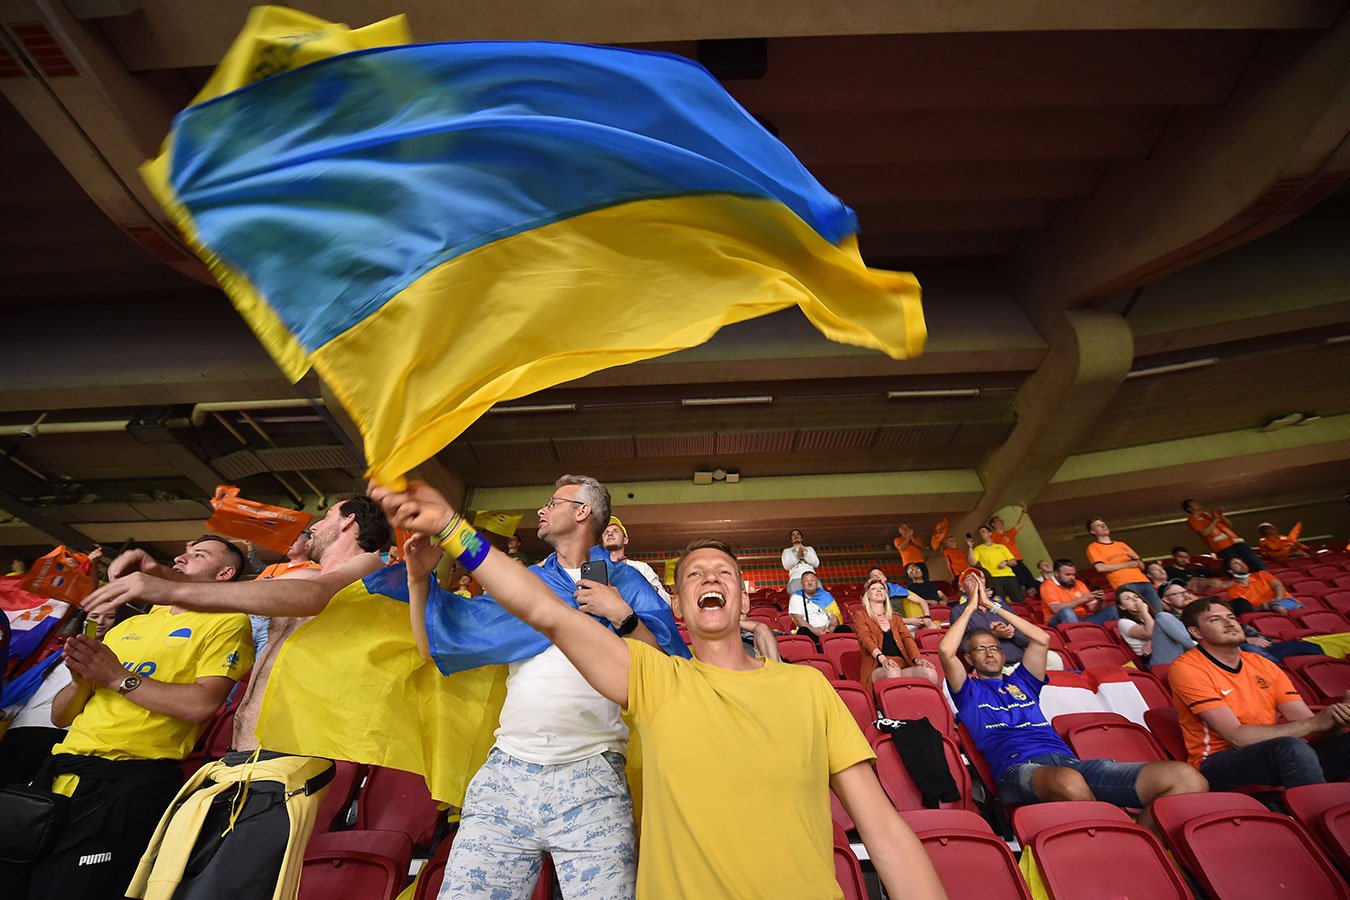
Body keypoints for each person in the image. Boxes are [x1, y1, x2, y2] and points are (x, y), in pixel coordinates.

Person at [372, 480, 949, 900]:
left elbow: (885, 834)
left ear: (745, 601)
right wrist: (452, 529)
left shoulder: (809, 688)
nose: (709, 578)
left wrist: (621, 615)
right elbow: (543, 611)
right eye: (693, 574)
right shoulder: (659, 682)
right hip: (510, 771)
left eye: (723, 572)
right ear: (678, 605)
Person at [82, 498, 391, 900]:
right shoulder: (306, 575)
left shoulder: (370, 569)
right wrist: (156, 572)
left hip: (287, 765)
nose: (313, 526)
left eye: (326, 515)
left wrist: (164, 586)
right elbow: (227, 591)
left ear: (349, 521)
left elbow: (313, 596)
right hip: (243, 763)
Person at [405, 474, 677, 899]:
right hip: (507, 774)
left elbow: (669, 673)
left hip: (594, 776)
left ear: (583, 512)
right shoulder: (523, 583)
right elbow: (431, 646)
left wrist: (622, 615)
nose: (541, 510)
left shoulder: (627, 584)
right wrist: (418, 579)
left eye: (553, 502)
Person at [1, 536, 255, 900]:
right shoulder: (128, 626)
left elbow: (201, 706)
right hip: (58, 773)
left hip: (129, 782)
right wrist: (80, 681)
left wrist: (116, 677)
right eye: (185, 551)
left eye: (199, 554)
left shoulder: (228, 622)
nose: (181, 558)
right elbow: (60, 716)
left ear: (225, 574)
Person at [939, 577, 1207, 828]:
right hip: (1017, 770)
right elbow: (945, 651)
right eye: (980, 649)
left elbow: (1041, 639)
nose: (989, 653)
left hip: (1070, 763)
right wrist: (971, 606)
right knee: (1068, 780)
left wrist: (992, 606)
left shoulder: (1023, 682)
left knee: (1185, 778)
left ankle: (1141, 842)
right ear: (969, 659)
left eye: (993, 647)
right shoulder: (968, 691)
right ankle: (1120, 842)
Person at [1169, 598, 1350, 790]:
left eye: (1231, 617)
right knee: (1290, 747)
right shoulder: (1187, 668)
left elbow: (1310, 727)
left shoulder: (1261, 663)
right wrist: (1314, 723)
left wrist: (1338, 719)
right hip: (1216, 760)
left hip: (1272, 750)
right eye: (1215, 619)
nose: (1229, 623)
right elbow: (1237, 737)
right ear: (1196, 632)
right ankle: (1318, 806)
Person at [0, 606, 123, 787]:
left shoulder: (114, 659)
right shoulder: (61, 654)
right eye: (94, 616)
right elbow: (35, 689)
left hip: (55, 731)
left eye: (110, 617)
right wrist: (8, 710)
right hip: (20, 726)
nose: (100, 622)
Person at [853, 582, 940, 698]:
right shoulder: (860, 615)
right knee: (893, 670)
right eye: (873, 588)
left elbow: (907, 639)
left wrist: (918, 658)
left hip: (902, 665)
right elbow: (865, 639)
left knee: (930, 672)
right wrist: (883, 659)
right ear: (867, 595)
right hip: (877, 667)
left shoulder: (895, 617)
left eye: (881, 588)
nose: (879, 590)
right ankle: (898, 708)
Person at [252, 531, 322, 656]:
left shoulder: (316, 568)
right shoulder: (272, 568)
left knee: (265, 660)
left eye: (294, 539)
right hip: (255, 618)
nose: (289, 543)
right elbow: (253, 591)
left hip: (282, 623)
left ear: (307, 543)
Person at [1084, 516, 1162, 612]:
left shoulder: (1121, 544)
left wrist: (1137, 559)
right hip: (1123, 583)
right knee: (1137, 613)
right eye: (1099, 525)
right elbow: (1100, 567)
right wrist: (1129, 564)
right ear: (1093, 531)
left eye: (1104, 524)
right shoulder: (1093, 547)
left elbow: (1141, 566)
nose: (1103, 526)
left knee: (1158, 612)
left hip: (1144, 581)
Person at [1114, 588, 1195, 668]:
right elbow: (1150, 633)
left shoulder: (1151, 617)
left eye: (1136, 596)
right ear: (1122, 606)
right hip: (1154, 660)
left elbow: (1158, 634)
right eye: (1127, 598)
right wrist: (1144, 610)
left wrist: (1152, 641)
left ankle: (1196, 647)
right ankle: (1197, 648)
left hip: (1172, 650)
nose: (1135, 599)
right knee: (1162, 616)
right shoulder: (1123, 622)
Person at [1182, 499, 1264, 572]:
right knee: (1236, 566)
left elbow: (1230, 526)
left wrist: (1220, 515)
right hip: (1222, 547)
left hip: (1235, 541)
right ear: (1189, 509)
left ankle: (1264, 576)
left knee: (1254, 560)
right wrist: (1215, 520)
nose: (1198, 503)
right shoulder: (1192, 520)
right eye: (1194, 503)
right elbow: (1205, 533)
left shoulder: (1208, 514)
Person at [603, 516, 671, 604]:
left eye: (615, 531)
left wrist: (642, 581)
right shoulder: (597, 570)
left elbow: (666, 601)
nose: (610, 534)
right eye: (606, 532)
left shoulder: (641, 567)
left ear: (625, 540)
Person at [1038, 559, 1118, 626]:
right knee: (1067, 612)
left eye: (1073, 575)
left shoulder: (1079, 583)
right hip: (1057, 622)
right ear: (1056, 573)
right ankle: (1079, 635)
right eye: (1068, 575)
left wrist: (1100, 601)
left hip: (1082, 619)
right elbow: (1056, 609)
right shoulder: (1047, 585)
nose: (1072, 578)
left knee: (1113, 609)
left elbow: (1093, 608)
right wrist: (1082, 599)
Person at [788, 570, 846, 650]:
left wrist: (830, 629)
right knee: (803, 631)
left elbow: (834, 616)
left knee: (844, 628)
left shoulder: (826, 596)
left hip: (827, 630)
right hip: (810, 631)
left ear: (817, 582)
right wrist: (816, 631)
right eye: (806, 581)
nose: (810, 583)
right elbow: (797, 620)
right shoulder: (796, 597)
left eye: (812, 580)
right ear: (802, 583)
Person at [966, 525, 1024, 604]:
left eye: (983, 531)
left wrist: (1006, 562)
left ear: (990, 533)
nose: (981, 534)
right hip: (993, 577)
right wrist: (970, 548)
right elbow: (972, 562)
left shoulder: (1001, 547)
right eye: (980, 533)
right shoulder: (978, 549)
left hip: (1009, 575)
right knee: (999, 602)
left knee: (1019, 600)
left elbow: (1014, 562)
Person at [1224, 557, 1301, 616]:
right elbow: (1246, 608)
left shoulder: (1262, 574)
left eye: (1242, 562)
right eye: (1236, 563)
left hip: (1283, 600)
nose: (1242, 565)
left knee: (1279, 607)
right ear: (1230, 571)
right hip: (1264, 610)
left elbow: (1278, 586)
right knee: (1278, 608)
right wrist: (1261, 607)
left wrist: (1278, 598)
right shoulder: (1233, 591)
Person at [1148, 581, 1199, 667]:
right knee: (1162, 616)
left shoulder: (1200, 615)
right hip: (1171, 663)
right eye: (1178, 594)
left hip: (1195, 661)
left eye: (1185, 592)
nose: (1185, 596)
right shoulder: (1166, 619)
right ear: (1166, 600)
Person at [989, 503, 1038, 590]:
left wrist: (1024, 511)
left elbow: (1019, 524)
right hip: (1010, 563)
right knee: (1023, 583)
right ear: (993, 524)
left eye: (1001, 520)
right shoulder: (993, 537)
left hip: (1019, 561)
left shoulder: (1009, 533)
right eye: (998, 521)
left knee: (1030, 580)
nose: (1001, 522)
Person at [865, 566, 932, 629]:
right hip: (889, 626)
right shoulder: (872, 596)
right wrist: (909, 621)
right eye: (873, 576)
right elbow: (880, 618)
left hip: (907, 624)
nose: (877, 576)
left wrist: (927, 617)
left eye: (879, 574)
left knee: (931, 626)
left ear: (885, 578)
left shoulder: (896, 589)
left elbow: (922, 601)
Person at [780, 529, 819, 595]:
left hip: (812, 578)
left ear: (801, 538)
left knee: (817, 599)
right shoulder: (786, 551)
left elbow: (816, 563)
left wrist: (805, 556)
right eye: (793, 535)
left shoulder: (809, 549)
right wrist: (797, 557)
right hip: (796, 578)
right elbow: (786, 566)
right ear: (791, 540)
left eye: (798, 534)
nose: (796, 536)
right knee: (798, 599)